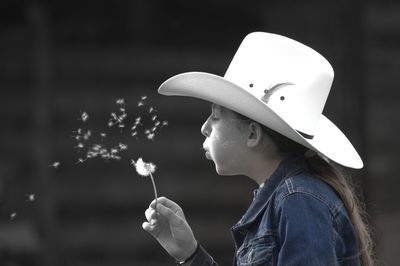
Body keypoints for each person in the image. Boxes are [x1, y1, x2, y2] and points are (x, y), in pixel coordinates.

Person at [142, 32, 374, 265]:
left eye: (215, 116)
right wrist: (190, 253)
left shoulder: (298, 201)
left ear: (252, 134)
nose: (204, 128)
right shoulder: (288, 199)